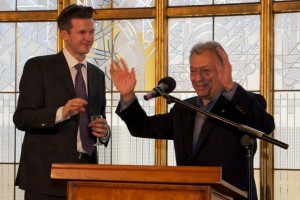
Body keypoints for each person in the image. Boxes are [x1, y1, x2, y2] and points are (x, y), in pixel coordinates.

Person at [109, 41, 275, 199]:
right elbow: (142, 127)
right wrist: (127, 95)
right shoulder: (183, 109)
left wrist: (230, 86)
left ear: (221, 71)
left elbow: (265, 125)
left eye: (205, 71)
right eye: (193, 71)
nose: (198, 78)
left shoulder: (242, 103)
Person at [13, 4, 110, 200]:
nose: (89, 38)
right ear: (64, 34)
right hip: (45, 176)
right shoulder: (38, 66)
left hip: (86, 176)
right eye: (82, 32)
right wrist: (61, 113)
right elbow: (22, 118)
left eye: (91, 31)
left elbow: (99, 119)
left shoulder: (97, 75)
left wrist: (105, 132)